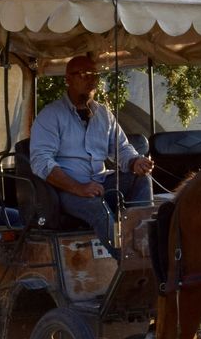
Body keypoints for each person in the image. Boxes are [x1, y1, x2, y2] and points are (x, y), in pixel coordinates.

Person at [28, 53, 154, 247]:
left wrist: (134, 161)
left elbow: (121, 147)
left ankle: (143, 242)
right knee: (98, 208)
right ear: (68, 79)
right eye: (84, 74)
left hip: (101, 182)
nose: (92, 80)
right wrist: (79, 188)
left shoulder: (104, 114)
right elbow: (41, 161)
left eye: (95, 74)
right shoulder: (51, 115)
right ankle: (126, 257)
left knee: (141, 179)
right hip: (67, 190)